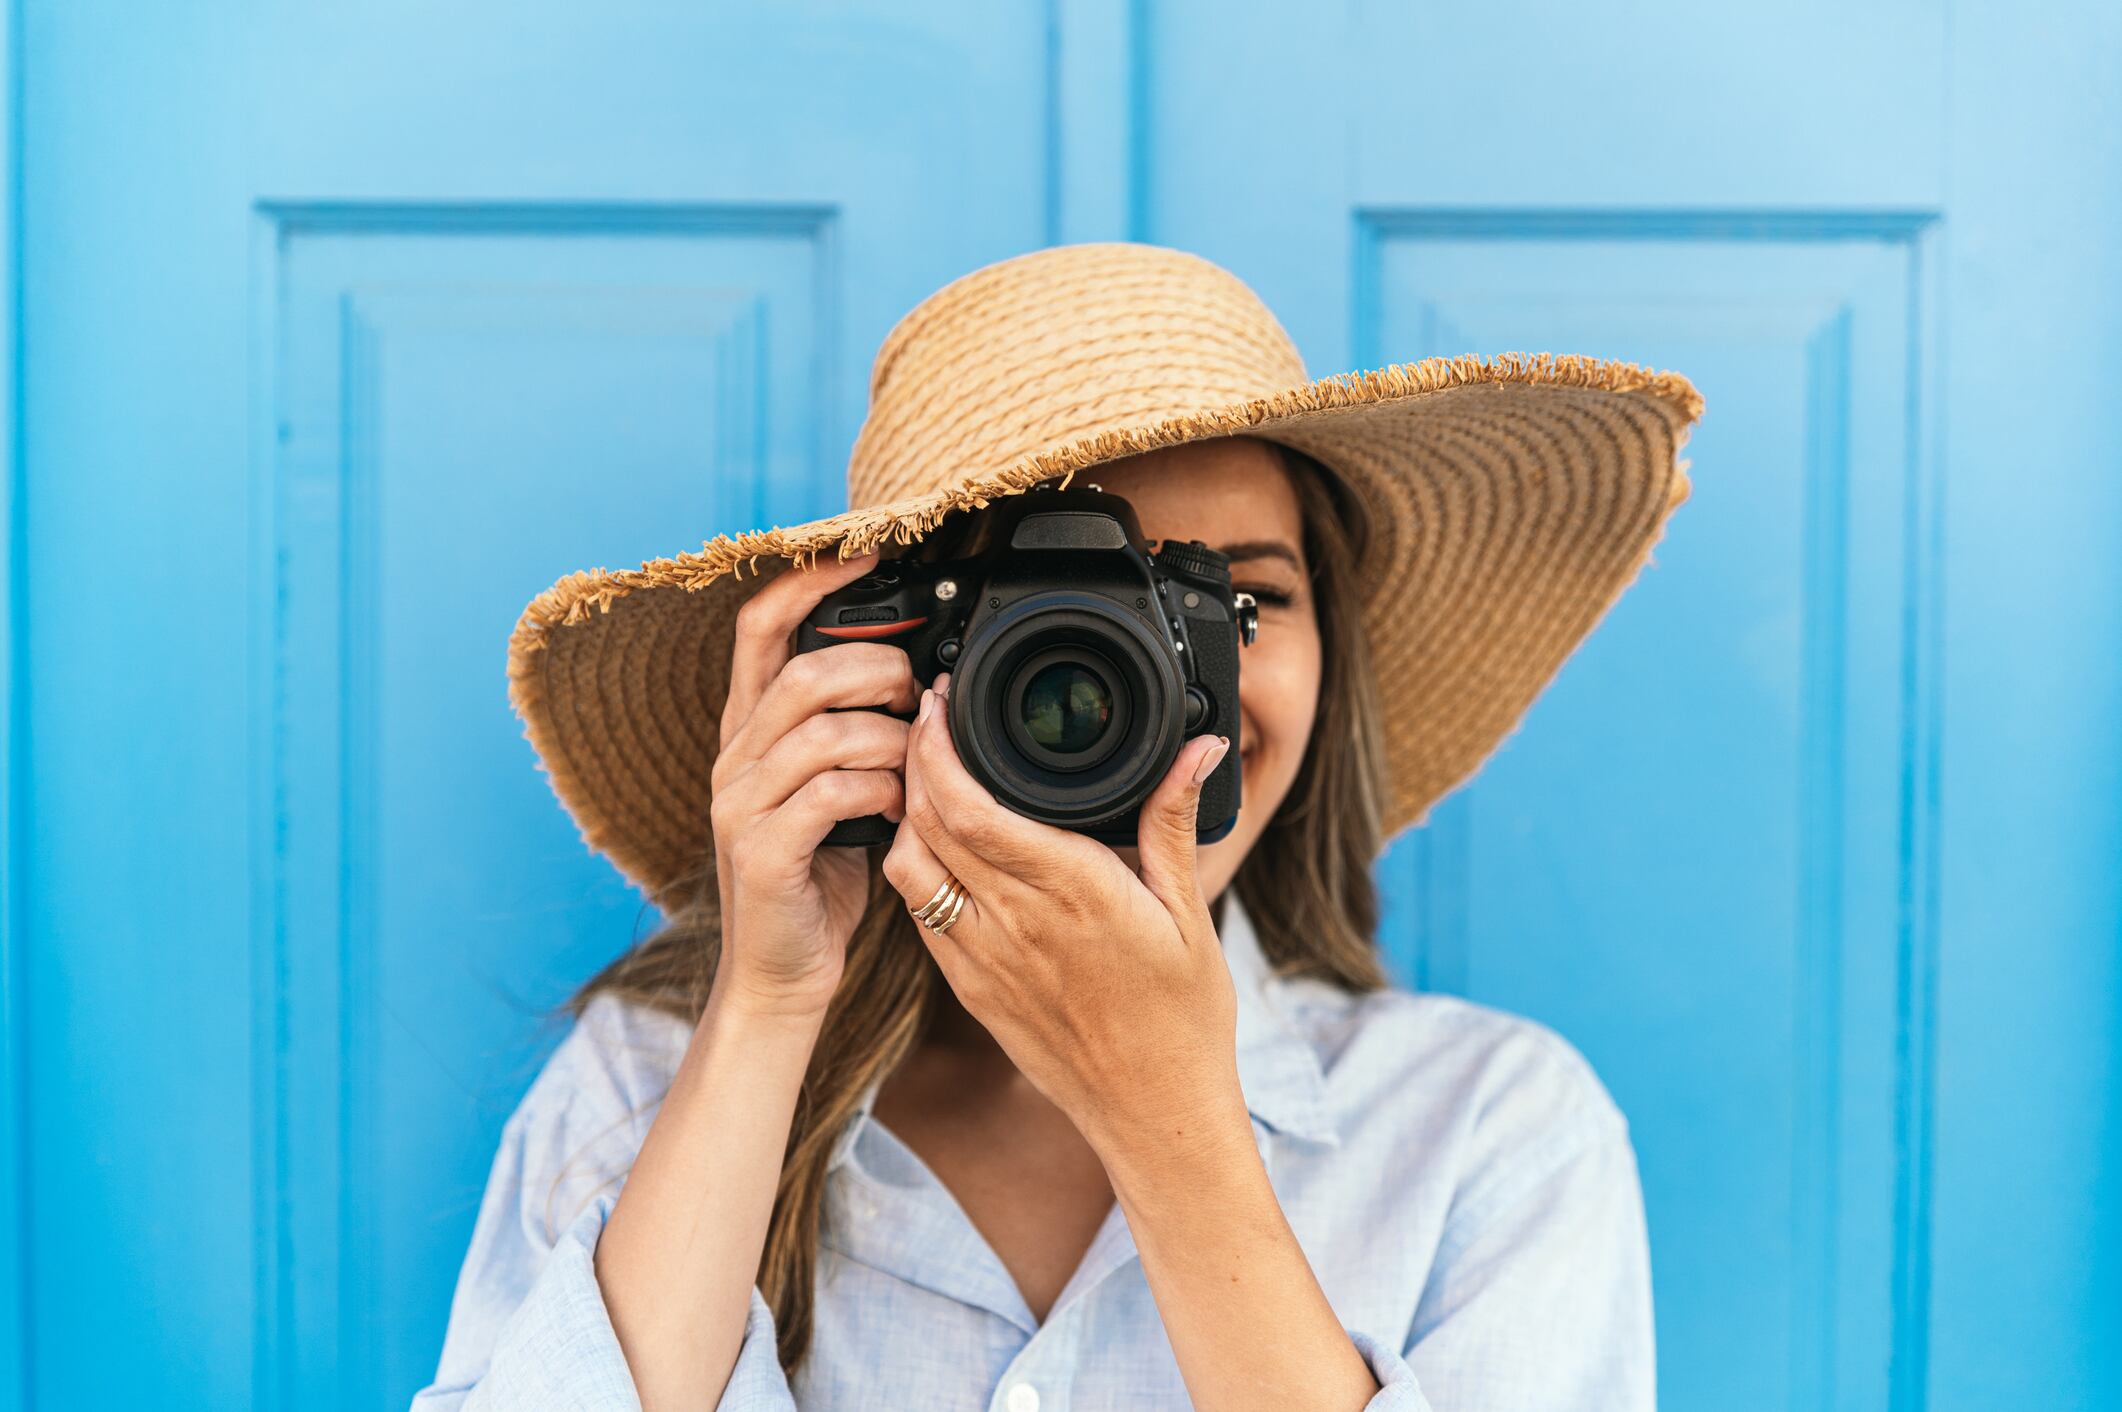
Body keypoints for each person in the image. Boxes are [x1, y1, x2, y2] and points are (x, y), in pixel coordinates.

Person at [413, 242, 1705, 1410]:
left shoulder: (1490, 1127)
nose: (1146, 684)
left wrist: (1169, 1126)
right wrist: (765, 1006)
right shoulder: (641, 1088)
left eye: (1233, 605)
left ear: (1333, 664)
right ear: (893, 653)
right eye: (1060, 609)